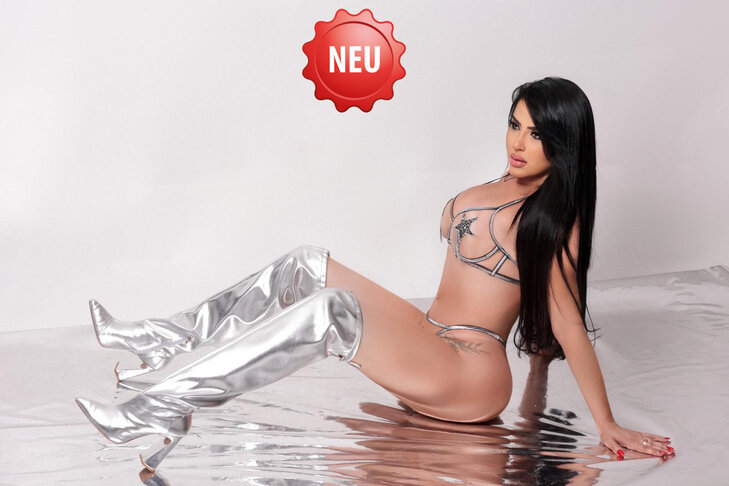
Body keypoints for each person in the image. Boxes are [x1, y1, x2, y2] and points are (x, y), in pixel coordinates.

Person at [75, 77, 674, 473]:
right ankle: (164, 340)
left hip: (468, 372)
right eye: (515, 124)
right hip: (431, 340)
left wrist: (605, 423)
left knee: (330, 312)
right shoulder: (499, 184)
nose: (519, 142)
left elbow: (566, 322)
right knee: (306, 262)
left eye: (537, 134)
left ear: (563, 145)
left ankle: (162, 408)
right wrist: (538, 355)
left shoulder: (553, 219)